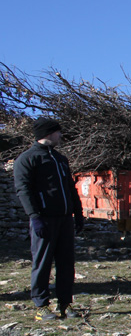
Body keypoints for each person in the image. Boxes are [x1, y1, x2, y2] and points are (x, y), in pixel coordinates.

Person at [14, 118, 84, 321]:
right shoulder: (27, 159)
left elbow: (70, 188)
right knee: (42, 263)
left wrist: (78, 213)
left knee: (66, 263)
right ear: (48, 133)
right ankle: (41, 306)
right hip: (44, 219)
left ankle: (65, 303)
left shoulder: (60, 159)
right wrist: (34, 217)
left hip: (65, 219)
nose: (61, 135)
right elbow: (23, 190)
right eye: (58, 132)